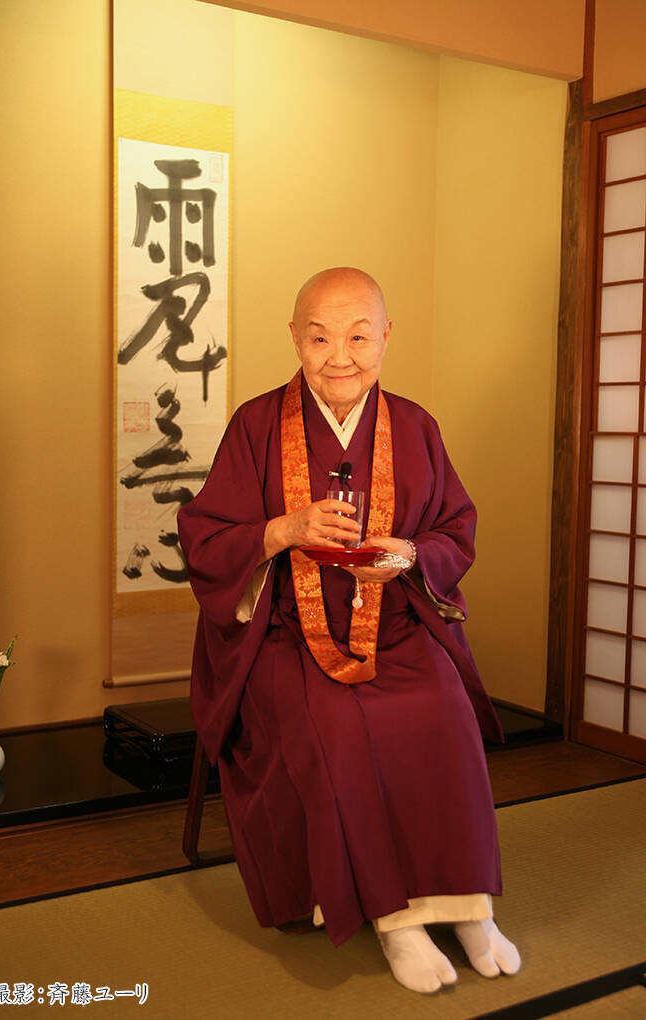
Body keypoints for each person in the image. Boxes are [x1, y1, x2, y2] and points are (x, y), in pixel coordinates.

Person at [178, 267, 521, 994]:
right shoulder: (256, 426)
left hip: (395, 626)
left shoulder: (415, 426)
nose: (340, 357)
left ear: (386, 336)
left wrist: (410, 556)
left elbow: (456, 527)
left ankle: (467, 907)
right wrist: (285, 529)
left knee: (443, 710)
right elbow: (205, 539)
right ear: (294, 339)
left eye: (359, 337)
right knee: (333, 725)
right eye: (320, 338)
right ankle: (395, 919)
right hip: (284, 636)